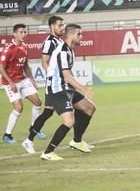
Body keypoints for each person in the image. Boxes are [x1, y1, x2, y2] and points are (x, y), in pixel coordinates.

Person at [29, 15, 96, 150]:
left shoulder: (69, 49)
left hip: (64, 87)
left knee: (89, 107)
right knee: (65, 119)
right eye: (79, 34)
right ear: (70, 35)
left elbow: (66, 74)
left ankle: (77, 141)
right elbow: (65, 75)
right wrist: (83, 89)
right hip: (57, 88)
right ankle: (43, 148)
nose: (82, 37)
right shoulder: (61, 49)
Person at [1, 24, 42, 150]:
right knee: (19, 107)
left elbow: (25, 65)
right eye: (21, 32)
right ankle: (7, 135)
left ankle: (34, 128)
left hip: (23, 80)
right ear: (14, 34)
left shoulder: (25, 47)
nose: (24, 34)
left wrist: (32, 79)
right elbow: (1, 67)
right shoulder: (9, 48)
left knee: (37, 102)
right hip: (10, 82)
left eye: (25, 32)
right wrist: (11, 83)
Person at [26, 15, 65, 143]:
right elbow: (44, 63)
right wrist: (55, 77)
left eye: (63, 25)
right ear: (52, 26)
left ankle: (29, 139)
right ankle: (77, 140)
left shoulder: (60, 41)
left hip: (61, 83)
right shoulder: (49, 42)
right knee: (78, 108)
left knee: (48, 112)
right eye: (60, 25)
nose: (62, 28)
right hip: (55, 84)